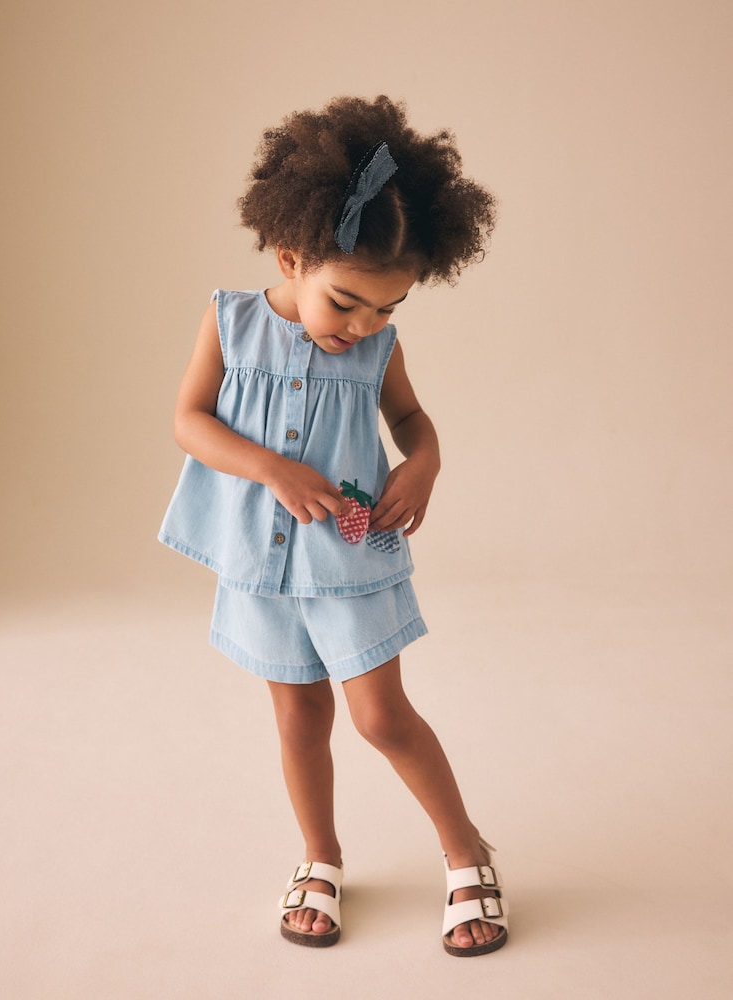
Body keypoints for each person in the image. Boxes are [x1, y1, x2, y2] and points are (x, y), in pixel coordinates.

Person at [159, 95, 508, 956]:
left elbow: (414, 423)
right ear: (291, 254)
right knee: (298, 721)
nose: (364, 328)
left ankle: (468, 854)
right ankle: (321, 859)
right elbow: (189, 420)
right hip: (261, 563)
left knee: (382, 718)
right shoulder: (230, 322)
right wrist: (271, 468)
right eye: (347, 302)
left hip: (350, 555)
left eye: (387, 310)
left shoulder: (379, 350)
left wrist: (423, 462)